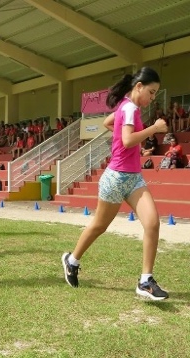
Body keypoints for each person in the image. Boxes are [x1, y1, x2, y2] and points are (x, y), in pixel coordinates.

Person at [61, 67, 169, 300]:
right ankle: (71, 261)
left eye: (155, 94)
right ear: (139, 87)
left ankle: (145, 281)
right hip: (116, 178)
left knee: (152, 223)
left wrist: (122, 134)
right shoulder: (130, 107)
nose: (153, 98)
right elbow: (129, 139)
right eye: (151, 92)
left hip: (134, 178)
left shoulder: (127, 107)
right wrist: (154, 129)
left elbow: (109, 122)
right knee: (99, 226)